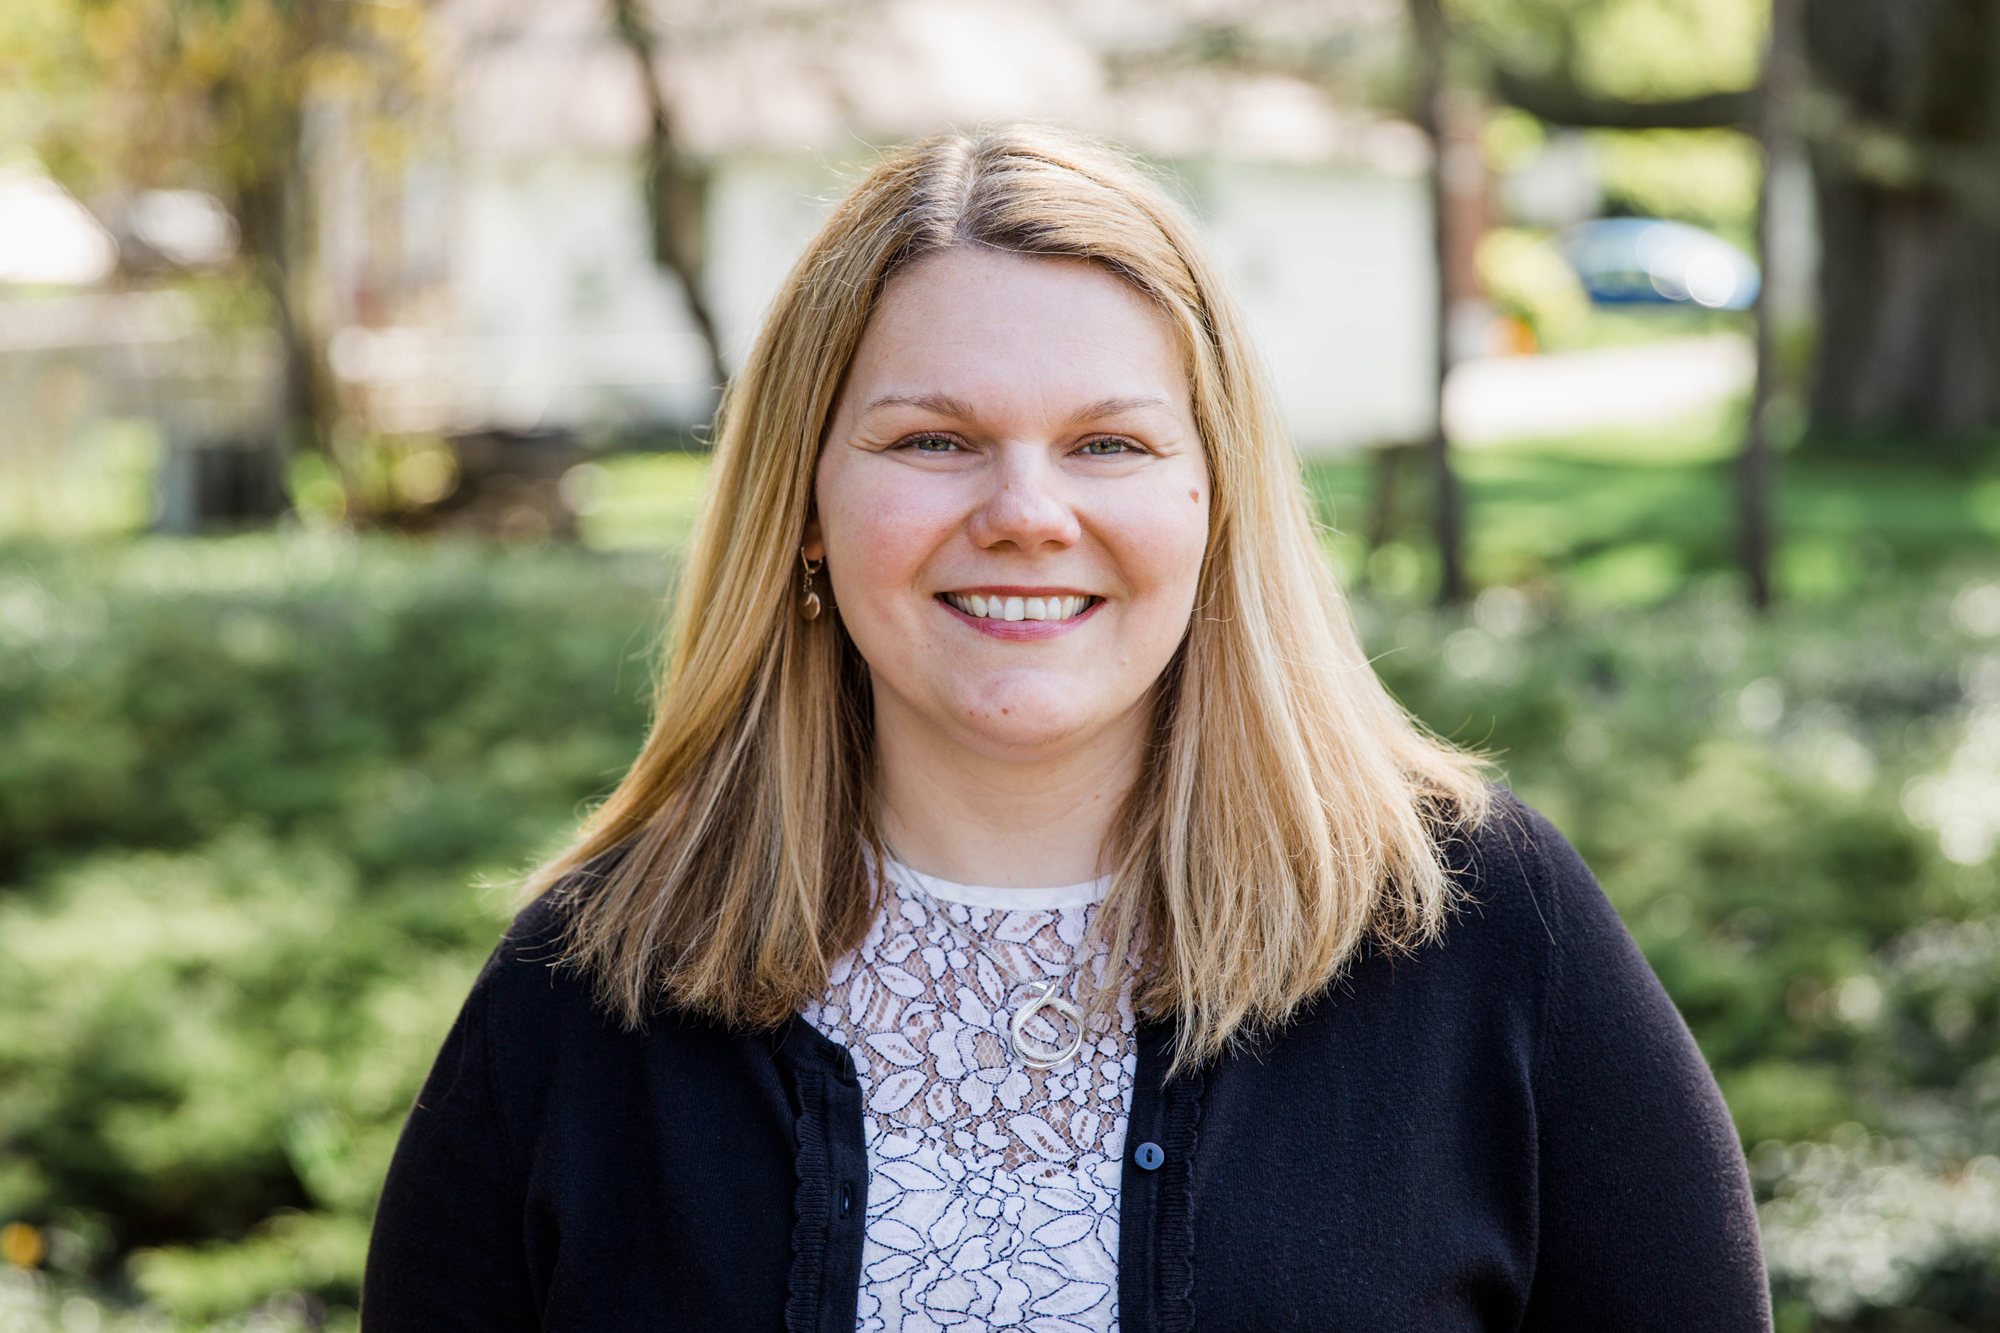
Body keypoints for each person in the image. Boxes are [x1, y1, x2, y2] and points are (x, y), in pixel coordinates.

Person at [362, 125, 1771, 1332]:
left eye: (1111, 443)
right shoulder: (592, 983)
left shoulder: (1474, 930)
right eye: (934, 440)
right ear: (802, 504)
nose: (1028, 510)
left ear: (1218, 506)